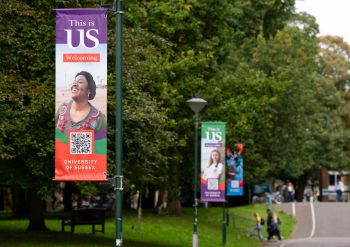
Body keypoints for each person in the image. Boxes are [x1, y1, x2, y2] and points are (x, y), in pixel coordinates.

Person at [56, 71, 106, 135]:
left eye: (80, 82)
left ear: (89, 90)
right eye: (74, 82)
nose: (74, 84)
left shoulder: (99, 119)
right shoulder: (63, 107)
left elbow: (100, 144)